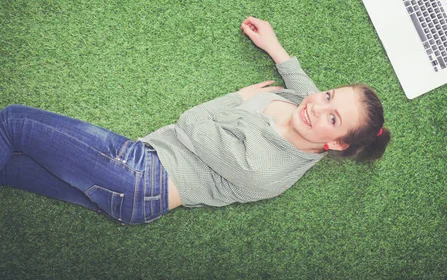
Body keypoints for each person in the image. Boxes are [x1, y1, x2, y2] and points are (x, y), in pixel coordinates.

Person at [0, 17, 390, 224]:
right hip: (133, 197)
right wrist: (273, 45)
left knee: (12, 123)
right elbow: (303, 84)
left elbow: (192, 123)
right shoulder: (309, 111)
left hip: (140, 176)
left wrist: (240, 97)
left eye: (333, 116)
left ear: (337, 143)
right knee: (11, 165)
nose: (317, 106)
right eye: (329, 95)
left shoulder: (265, 169)